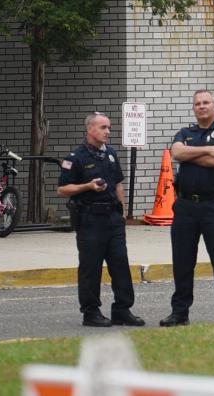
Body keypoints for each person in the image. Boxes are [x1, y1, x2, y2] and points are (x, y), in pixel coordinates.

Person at [57, 111, 145, 328]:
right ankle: (91, 313)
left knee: (120, 265)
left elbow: (118, 184)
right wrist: (87, 186)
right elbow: (62, 189)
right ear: (90, 129)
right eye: (103, 127)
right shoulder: (75, 158)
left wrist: (123, 212)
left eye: (109, 128)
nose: (108, 132)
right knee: (91, 268)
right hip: (90, 220)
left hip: (113, 219)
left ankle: (122, 310)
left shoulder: (111, 154)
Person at [160, 89, 214, 327]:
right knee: (182, 262)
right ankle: (179, 313)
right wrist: (206, 149)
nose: (201, 106)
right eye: (197, 103)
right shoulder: (185, 132)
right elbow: (175, 152)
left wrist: (189, 155)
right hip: (184, 207)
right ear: (194, 108)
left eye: (206, 102)